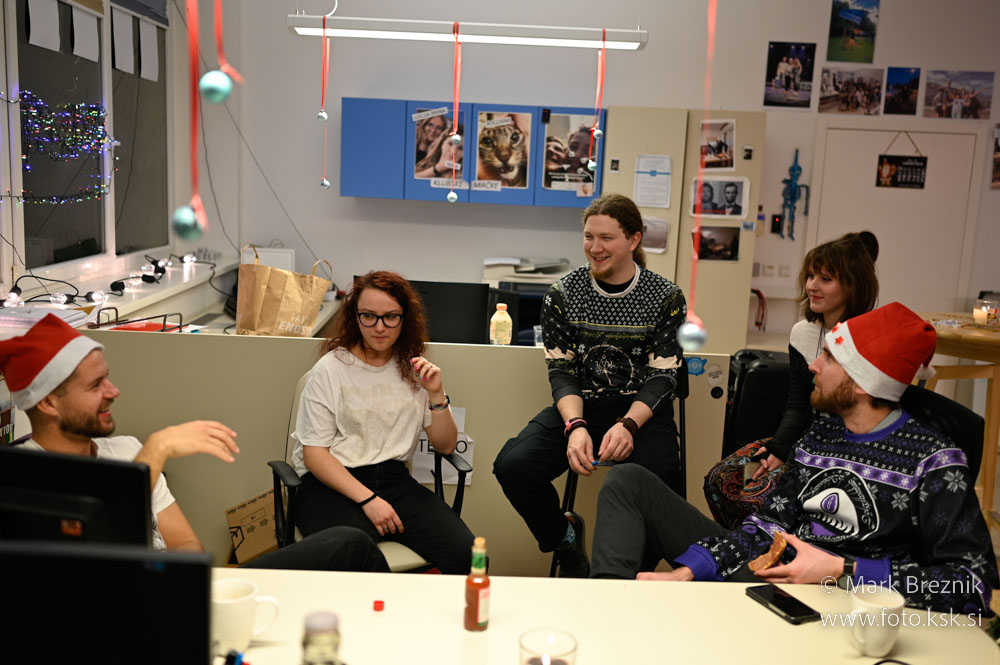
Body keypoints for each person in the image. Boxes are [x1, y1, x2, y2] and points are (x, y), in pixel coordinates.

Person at [592, 303, 998, 615]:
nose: (813, 365)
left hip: (844, 609)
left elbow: (972, 586)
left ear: (862, 383)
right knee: (629, 481)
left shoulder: (935, 463)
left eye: (830, 358)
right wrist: (689, 571)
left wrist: (842, 570)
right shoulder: (820, 435)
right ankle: (605, 611)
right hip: (773, 580)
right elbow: (767, 526)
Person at [0, 314, 390, 573]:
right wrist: (153, 454)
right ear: (48, 403)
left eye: (108, 377)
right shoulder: (20, 481)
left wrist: (187, 583)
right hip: (121, 611)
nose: (113, 391)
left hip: (181, 591)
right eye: (95, 385)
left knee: (350, 544)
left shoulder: (126, 450)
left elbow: (185, 543)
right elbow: (91, 568)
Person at [493, 193, 687, 578]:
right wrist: (575, 426)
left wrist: (629, 425)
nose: (595, 248)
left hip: (642, 413)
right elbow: (562, 371)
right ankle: (564, 537)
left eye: (606, 238)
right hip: (583, 406)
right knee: (513, 466)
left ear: (633, 239)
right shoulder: (563, 294)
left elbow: (663, 376)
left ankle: (628, 576)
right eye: (588, 236)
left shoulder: (665, 297)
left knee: (660, 485)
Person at [290, 270, 475, 574]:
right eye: (369, 316)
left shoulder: (413, 368)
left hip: (393, 480)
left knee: (466, 554)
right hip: (331, 482)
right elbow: (314, 454)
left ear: (405, 318)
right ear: (355, 317)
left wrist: (436, 394)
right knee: (358, 557)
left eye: (390, 317)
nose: (379, 327)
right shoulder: (331, 368)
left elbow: (445, 446)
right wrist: (369, 500)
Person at [704, 232, 879, 528]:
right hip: (805, 438)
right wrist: (779, 448)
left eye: (825, 279)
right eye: (810, 276)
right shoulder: (802, 333)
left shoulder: (871, 337)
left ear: (853, 286)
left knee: (766, 502)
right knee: (721, 480)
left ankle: (770, 547)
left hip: (849, 449)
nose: (812, 286)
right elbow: (797, 403)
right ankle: (748, 547)